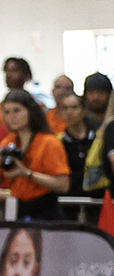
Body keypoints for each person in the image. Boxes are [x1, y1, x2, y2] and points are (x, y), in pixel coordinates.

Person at [0, 89, 71, 221]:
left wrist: (27, 173)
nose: (12, 117)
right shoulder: (7, 142)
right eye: (7, 112)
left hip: (45, 208)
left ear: (30, 112)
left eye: (17, 110)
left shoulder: (49, 142)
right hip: (17, 207)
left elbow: (63, 185)